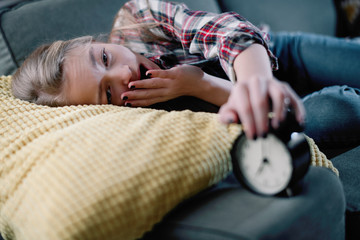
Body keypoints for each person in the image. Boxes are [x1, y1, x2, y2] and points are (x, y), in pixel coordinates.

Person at [11, 0, 360, 145]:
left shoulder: (140, 16)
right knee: (340, 106)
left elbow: (226, 32)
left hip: (280, 55)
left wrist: (255, 80)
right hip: (267, 109)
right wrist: (203, 85)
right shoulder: (136, 120)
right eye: (107, 93)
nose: (121, 74)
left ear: (94, 41)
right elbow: (271, 119)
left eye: (103, 57)